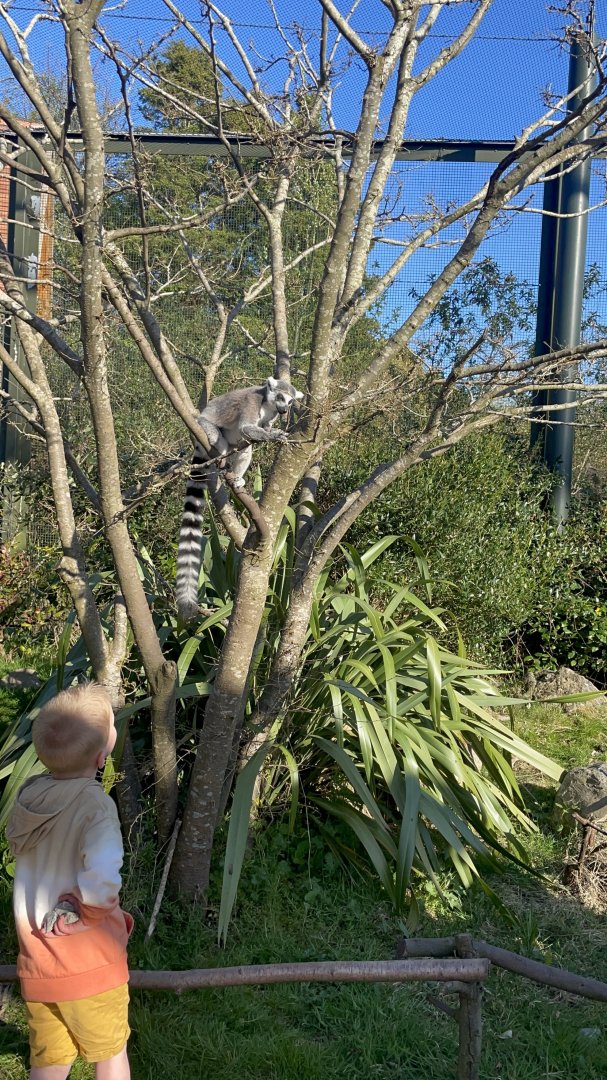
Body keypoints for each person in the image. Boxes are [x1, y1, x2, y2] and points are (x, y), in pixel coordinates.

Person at [6, 682, 132, 1080]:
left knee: (49, 1059)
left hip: (37, 963)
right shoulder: (95, 806)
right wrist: (89, 911)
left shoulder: (29, 796)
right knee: (110, 1053)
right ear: (101, 756)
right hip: (88, 962)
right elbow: (103, 874)